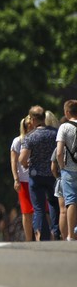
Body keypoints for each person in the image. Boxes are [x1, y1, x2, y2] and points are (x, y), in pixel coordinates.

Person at [20, 106, 59, 240]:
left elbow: (22, 158)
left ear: (33, 119)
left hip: (36, 176)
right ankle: (57, 230)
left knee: (39, 208)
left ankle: (43, 235)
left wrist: (26, 164)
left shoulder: (30, 136)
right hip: (53, 174)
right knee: (54, 203)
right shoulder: (55, 133)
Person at [56, 100, 77, 241]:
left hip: (69, 170)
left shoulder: (64, 127)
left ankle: (70, 235)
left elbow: (58, 152)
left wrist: (61, 166)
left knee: (71, 202)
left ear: (67, 112)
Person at [10, 115, 34, 241]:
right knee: (26, 212)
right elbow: (13, 162)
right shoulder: (18, 141)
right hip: (24, 180)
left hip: (37, 179)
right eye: (29, 124)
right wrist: (16, 179)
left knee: (40, 210)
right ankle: (29, 239)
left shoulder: (36, 138)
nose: (31, 125)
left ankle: (41, 236)